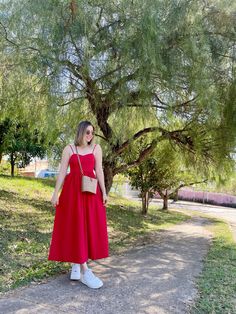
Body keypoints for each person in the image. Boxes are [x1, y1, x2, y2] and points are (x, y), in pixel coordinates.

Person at [48, 121, 109, 289]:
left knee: (88, 227)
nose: (90, 135)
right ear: (81, 131)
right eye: (87, 132)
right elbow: (62, 173)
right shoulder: (69, 149)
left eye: (92, 133)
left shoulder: (96, 149)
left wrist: (104, 192)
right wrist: (55, 193)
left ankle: (78, 264)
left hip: (90, 192)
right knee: (76, 227)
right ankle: (84, 270)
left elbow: (100, 170)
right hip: (72, 193)